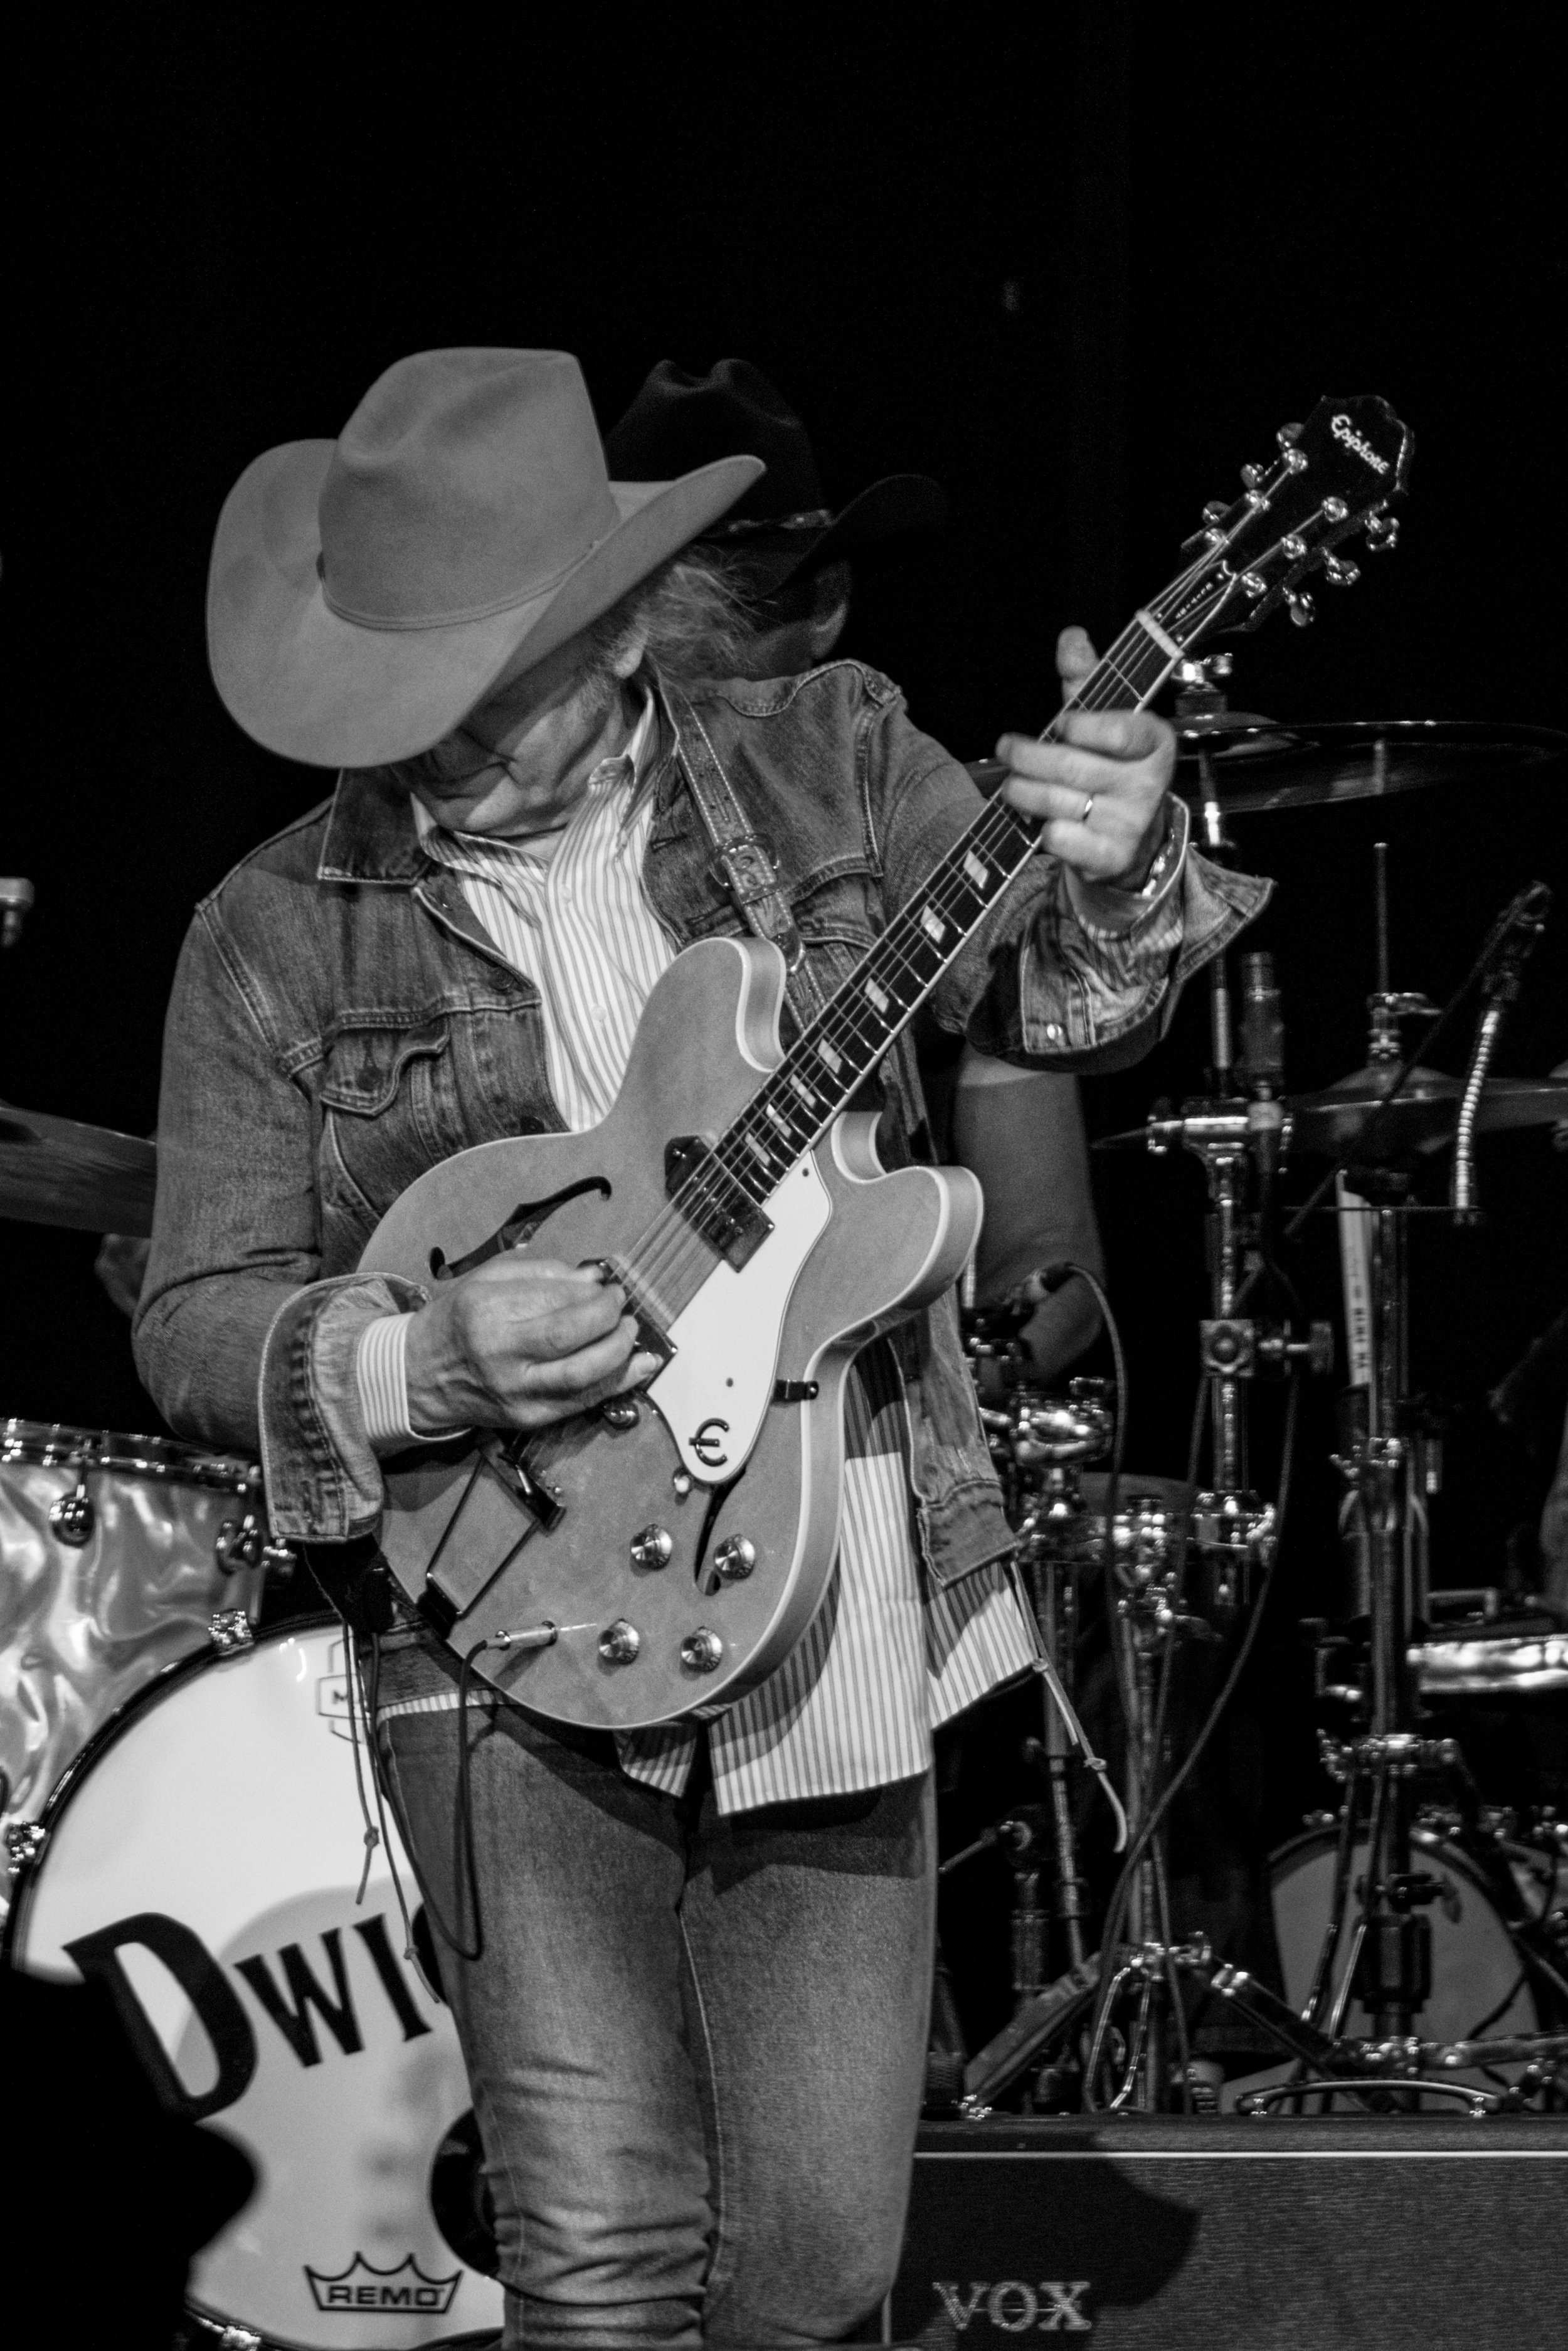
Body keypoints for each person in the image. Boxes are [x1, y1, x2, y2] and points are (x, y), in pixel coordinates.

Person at [134, 346, 1266, 2349]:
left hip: (824, 1562)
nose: (435, 758)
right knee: (599, 2250)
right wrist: (423, 1363)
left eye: (481, 699)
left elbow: (1065, 1009)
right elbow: (199, 1316)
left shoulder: (827, 752)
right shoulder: (267, 928)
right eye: (396, 711)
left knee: (821, 2266)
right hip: (495, 1596)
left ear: (609, 618)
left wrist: (1122, 872)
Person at [608, 358, 1104, 1376]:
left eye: (732, 609)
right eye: (662, 609)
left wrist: (976, 1387)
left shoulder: (872, 768)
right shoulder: (536, 830)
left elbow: (1048, 1262)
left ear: (830, 602)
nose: (693, 652)